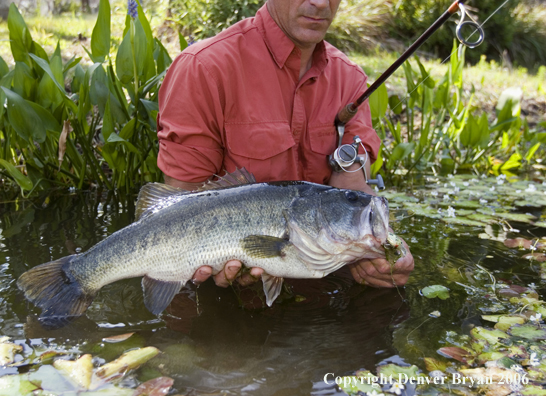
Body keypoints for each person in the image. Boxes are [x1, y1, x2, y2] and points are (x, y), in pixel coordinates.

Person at [156, 0, 414, 290]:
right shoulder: (204, 68)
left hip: (315, 273)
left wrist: (386, 244)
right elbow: (177, 212)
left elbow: (354, 194)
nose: (319, 3)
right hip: (219, 282)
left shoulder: (350, 81)